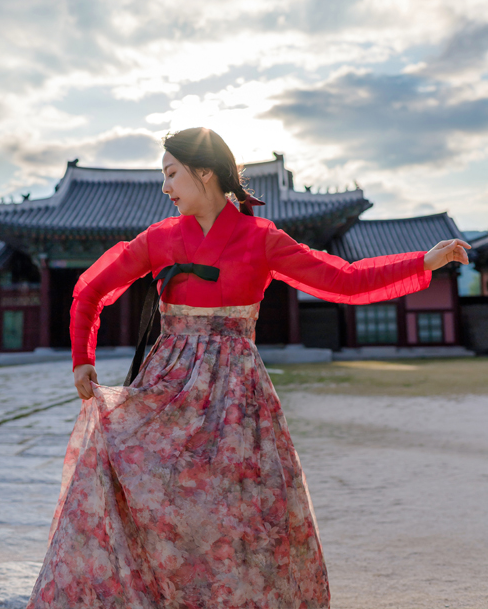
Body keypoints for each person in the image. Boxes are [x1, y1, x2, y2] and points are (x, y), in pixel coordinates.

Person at [27, 127, 470, 609]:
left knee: (247, 509)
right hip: (169, 388)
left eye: (171, 174)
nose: (165, 187)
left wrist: (421, 263)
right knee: (145, 487)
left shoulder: (263, 239)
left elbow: (342, 280)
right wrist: (81, 360)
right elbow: (91, 289)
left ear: (205, 173)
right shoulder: (158, 239)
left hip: (238, 398)